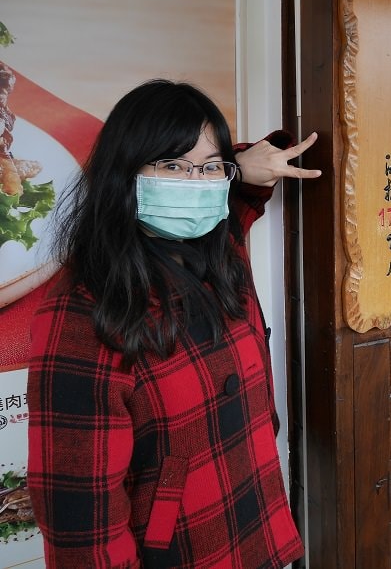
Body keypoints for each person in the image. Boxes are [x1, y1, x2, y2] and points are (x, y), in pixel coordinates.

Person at [27, 79, 320, 568]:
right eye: (171, 165)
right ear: (125, 171)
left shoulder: (220, 252)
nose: (194, 183)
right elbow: (80, 524)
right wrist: (219, 164)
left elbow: (238, 195)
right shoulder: (85, 312)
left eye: (209, 168)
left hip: (257, 522)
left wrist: (236, 164)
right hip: (184, 550)